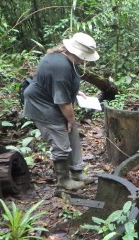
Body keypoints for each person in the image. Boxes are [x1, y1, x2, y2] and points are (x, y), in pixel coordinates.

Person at [23, 32, 99, 190]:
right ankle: (63, 180)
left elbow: (57, 85)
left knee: (73, 134)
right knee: (61, 139)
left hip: (52, 99)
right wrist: (70, 120)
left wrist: (74, 92)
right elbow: (63, 102)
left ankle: (77, 172)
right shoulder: (60, 65)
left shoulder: (66, 59)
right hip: (42, 106)